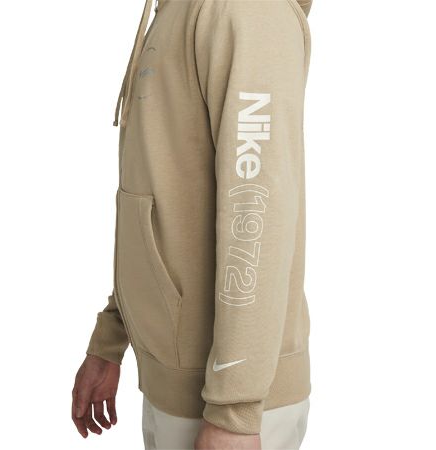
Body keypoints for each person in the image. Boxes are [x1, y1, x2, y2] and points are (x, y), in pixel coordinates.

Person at [71, 0, 314, 448]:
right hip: (182, 387)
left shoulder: (247, 12)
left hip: (228, 405)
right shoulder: (177, 10)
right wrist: (112, 338)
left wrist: (234, 413)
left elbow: (256, 212)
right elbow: (164, 206)